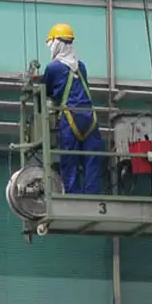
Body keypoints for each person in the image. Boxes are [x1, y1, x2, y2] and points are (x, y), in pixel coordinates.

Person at [42, 23, 103, 195]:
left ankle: (72, 195)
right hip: (90, 117)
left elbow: (45, 90)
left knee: (70, 159)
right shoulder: (81, 67)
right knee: (92, 159)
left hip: (70, 117)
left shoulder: (53, 68)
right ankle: (92, 194)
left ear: (56, 44)